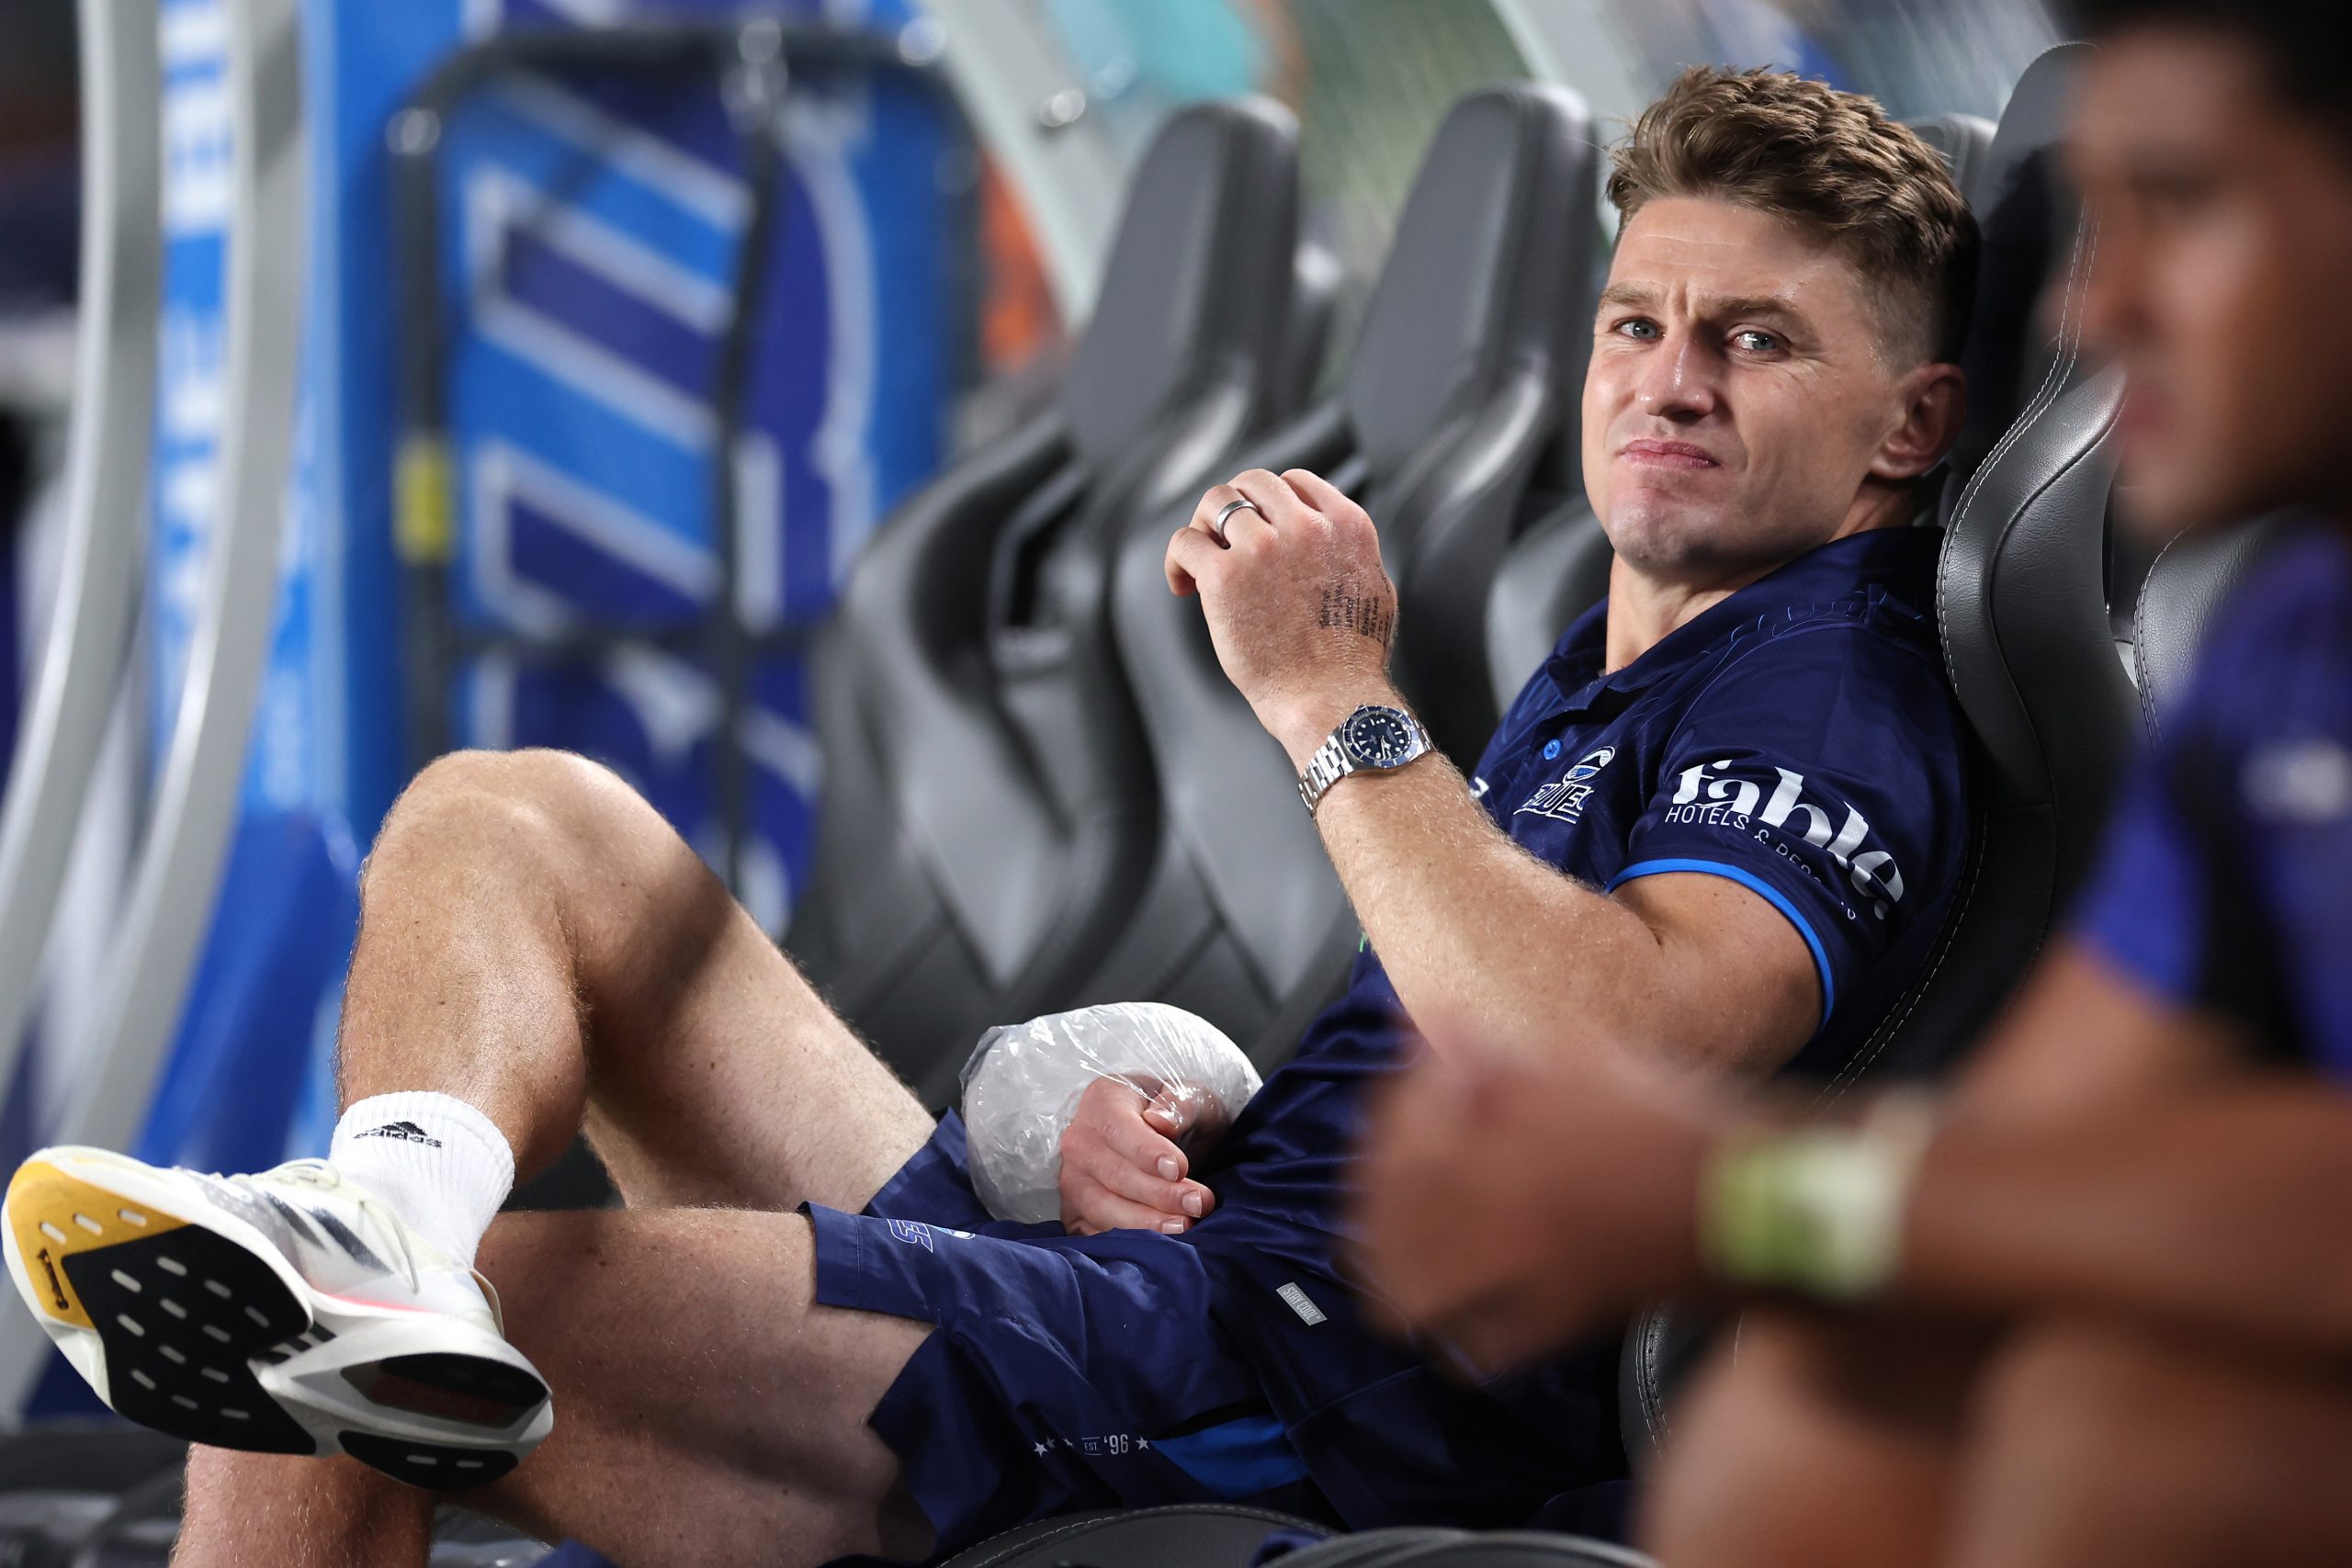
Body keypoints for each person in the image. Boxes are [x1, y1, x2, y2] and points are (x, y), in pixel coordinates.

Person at [4, 68, 1977, 1566]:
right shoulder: (1626, 659)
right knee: (514, 815)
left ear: (1909, 424)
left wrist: (1329, 700)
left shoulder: (1832, 681)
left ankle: (378, 1272)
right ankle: (391, 1206)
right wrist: (1186, 1115)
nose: (1669, 381)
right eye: (1637, 323)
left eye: (1756, 338)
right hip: (1181, 1284)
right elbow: (1452, 1021)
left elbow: (1623, 1049)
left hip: (1276, 1390)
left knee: (374, 1335)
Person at [1355, 6, 2352, 1566]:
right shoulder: (2289, 651)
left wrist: (1738, 1196)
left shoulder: (1843, 676)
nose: (2105, 308)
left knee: (2129, 1444)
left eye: (2191, 209)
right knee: (1820, 1432)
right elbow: (2045, 1139)